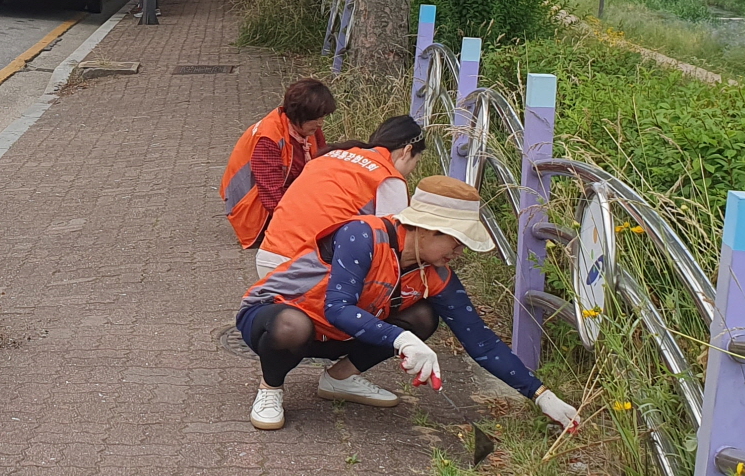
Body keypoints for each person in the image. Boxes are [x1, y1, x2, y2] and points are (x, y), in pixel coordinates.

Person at [238, 176, 584, 434]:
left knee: (422, 316)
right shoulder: (363, 235)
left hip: (339, 334)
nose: (459, 254)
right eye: (457, 242)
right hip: (278, 314)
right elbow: (337, 308)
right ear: (428, 230)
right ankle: (271, 388)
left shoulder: (437, 274)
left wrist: (540, 394)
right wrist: (402, 341)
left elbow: (481, 342)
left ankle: (339, 379)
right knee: (291, 327)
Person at [251, 115, 428, 404]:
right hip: (313, 270)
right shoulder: (388, 178)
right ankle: (339, 375)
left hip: (271, 260)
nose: (410, 172)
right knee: (401, 304)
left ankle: (273, 386)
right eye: (415, 163)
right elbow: (393, 246)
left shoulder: (333, 155)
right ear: (407, 151)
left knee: (296, 323)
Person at [221, 78, 335, 252]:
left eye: (322, 118)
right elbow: (272, 196)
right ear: (299, 115)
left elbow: (323, 168)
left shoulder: (307, 128)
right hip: (252, 211)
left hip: (281, 197)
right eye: (315, 119)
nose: (320, 124)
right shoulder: (268, 139)